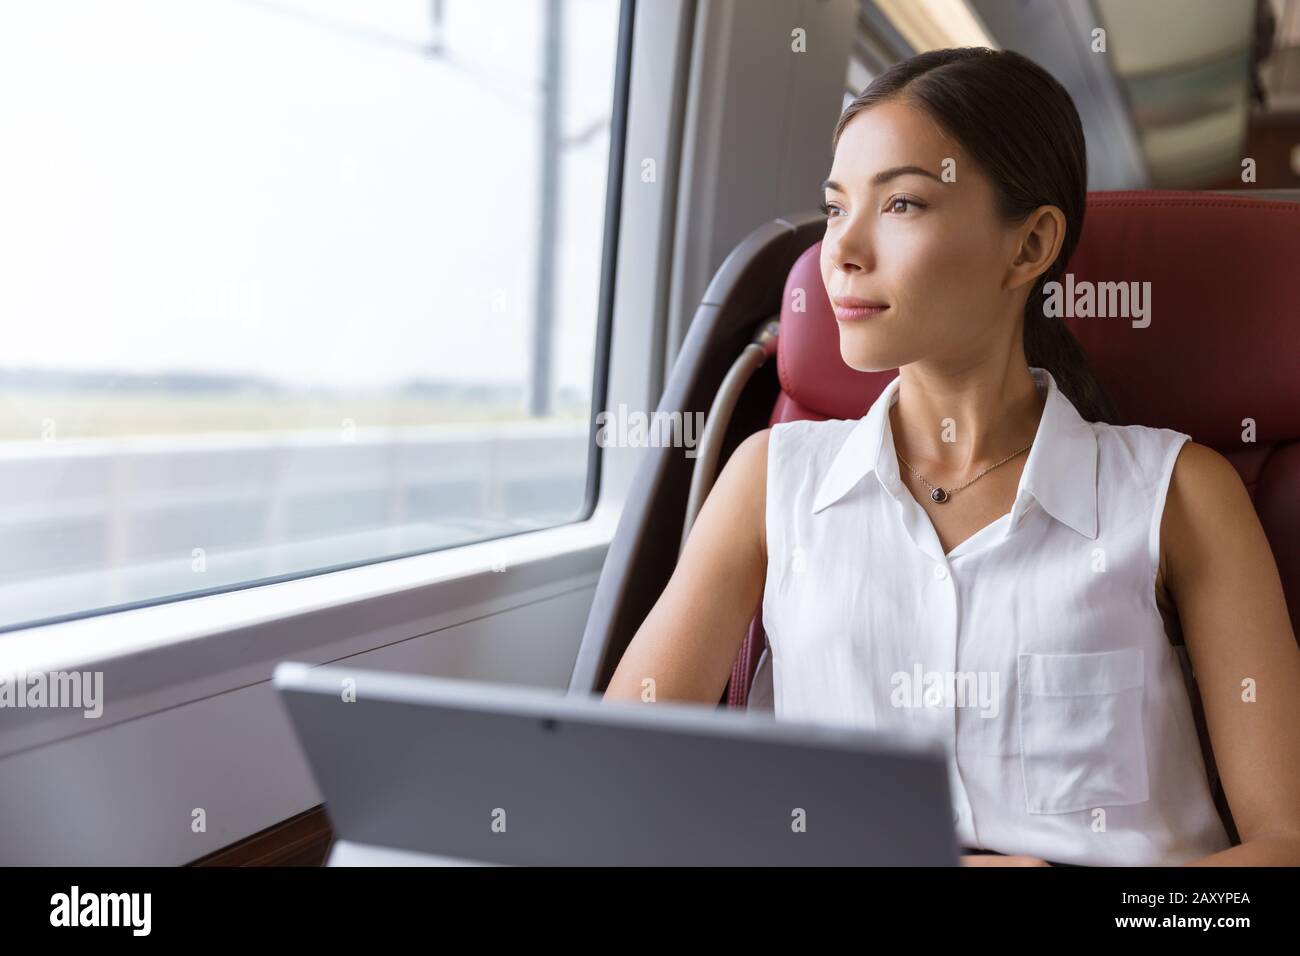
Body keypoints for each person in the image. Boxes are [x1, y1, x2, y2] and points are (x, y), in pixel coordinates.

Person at [603, 47, 1300, 867]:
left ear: (1030, 245)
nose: (842, 252)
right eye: (834, 210)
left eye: (900, 203)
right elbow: (614, 783)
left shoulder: (1180, 493)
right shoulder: (768, 479)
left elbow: (1285, 846)